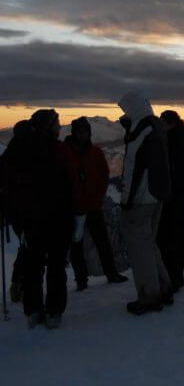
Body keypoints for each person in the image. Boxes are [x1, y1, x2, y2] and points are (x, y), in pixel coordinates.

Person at [2, 110, 72, 328]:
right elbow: (66, 183)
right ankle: (54, 312)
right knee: (56, 266)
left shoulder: (16, 147)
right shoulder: (54, 148)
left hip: (28, 221)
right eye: (57, 123)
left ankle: (33, 311)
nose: (60, 127)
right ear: (47, 125)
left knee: (33, 266)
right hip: (55, 217)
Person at [118, 91, 172, 315]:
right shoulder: (157, 127)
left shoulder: (140, 132)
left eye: (125, 109)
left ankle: (149, 297)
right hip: (157, 196)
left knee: (139, 249)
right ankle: (163, 287)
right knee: (149, 244)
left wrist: (126, 200)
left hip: (141, 199)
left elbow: (133, 169)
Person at [64, 117, 127, 291]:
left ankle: (111, 274)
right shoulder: (65, 152)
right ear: (74, 133)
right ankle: (82, 280)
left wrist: (99, 196)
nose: (83, 134)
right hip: (74, 208)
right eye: (80, 131)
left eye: (85, 131)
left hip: (92, 206)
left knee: (102, 242)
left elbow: (104, 175)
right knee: (77, 246)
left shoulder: (95, 152)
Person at [156, 110, 184, 292]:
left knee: (168, 236)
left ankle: (173, 278)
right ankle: (179, 271)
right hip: (178, 194)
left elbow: (172, 170)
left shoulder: (170, 141)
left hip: (170, 195)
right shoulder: (179, 139)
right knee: (176, 231)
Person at [0, 120, 32, 304]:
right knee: (29, 246)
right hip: (25, 209)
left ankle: (19, 282)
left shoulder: (7, 155)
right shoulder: (25, 154)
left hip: (15, 210)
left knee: (26, 245)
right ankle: (22, 283)